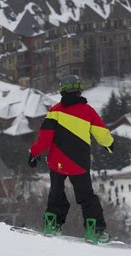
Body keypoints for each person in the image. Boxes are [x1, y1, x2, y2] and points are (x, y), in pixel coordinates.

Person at [28, 75, 114, 243]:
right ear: (79, 90)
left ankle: (52, 225)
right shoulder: (88, 111)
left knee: (56, 194)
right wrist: (109, 144)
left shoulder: (55, 111)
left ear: (62, 91)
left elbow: (44, 138)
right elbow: (101, 132)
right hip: (79, 163)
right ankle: (94, 230)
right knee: (86, 197)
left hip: (56, 163)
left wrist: (34, 153)